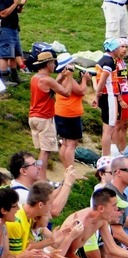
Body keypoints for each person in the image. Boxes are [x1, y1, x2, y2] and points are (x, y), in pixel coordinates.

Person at [28, 51, 73, 182]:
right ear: (48, 64)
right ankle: (41, 178)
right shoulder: (47, 80)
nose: (54, 65)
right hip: (44, 118)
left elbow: (51, 88)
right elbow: (66, 92)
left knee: (42, 149)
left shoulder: (36, 78)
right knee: (45, 150)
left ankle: (39, 175)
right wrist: (69, 77)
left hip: (34, 117)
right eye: (53, 62)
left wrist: (62, 77)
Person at [54, 53, 90, 169]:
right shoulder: (67, 78)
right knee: (71, 144)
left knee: (65, 143)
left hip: (60, 112)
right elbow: (81, 91)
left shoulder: (60, 77)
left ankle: (66, 169)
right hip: (70, 114)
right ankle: (70, 170)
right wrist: (84, 80)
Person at [93, 38, 122, 156]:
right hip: (109, 96)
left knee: (108, 129)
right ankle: (105, 156)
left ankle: (106, 155)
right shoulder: (109, 62)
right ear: (114, 49)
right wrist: (96, 96)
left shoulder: (101, 60)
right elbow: (103, 81)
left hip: (105, 96)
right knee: (109, 129)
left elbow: (96, 79)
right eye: (119, 47)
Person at [115, 38, 128, 153]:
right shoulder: (115, 63)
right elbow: (115, 82)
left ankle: (123, 150)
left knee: (125, 124)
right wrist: (119, 98)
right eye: (122, 47)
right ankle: (116, 150)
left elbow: (124, 81)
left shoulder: (123, 63)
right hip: (119, 95)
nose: (124, 49)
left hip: (126, 94)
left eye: (126, 47)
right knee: (118, 124)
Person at [0, 0, 26, 87]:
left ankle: (14, 77)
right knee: (5, 55)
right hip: (5, 29)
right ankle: (4, 79)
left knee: (14, 54)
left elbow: (17, 11)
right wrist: (15, 3)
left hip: (14, 28)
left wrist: (20, 4)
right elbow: (3, 14)